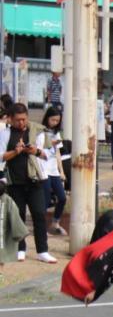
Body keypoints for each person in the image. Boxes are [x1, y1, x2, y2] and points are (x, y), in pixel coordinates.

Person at [4, 104, 55, 263]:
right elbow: (1, 156)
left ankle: (42, 250)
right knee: (18, 216)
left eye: (24, 119)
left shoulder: (37, 131)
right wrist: (16, 151)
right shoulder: (5, 134)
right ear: (10, 119)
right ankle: (21, 248)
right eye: (18, 120)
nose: (21, 123)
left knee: (39, 214)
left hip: (35, 180)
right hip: (14, 181)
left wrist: (36, 151)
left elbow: (48, 155)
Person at [36, 107, 68, 237]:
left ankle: (55, 222)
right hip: (43, 168)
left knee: (62, 197)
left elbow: (58, 153)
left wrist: (62, 171)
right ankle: (40, 227)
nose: (55, 122)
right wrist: (50, 143)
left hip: (54, 170)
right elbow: (37, 151)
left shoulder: (56, 133)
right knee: (46, 198)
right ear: (47, 118)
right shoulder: (40, 131)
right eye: (53, 119)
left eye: (57, 120)